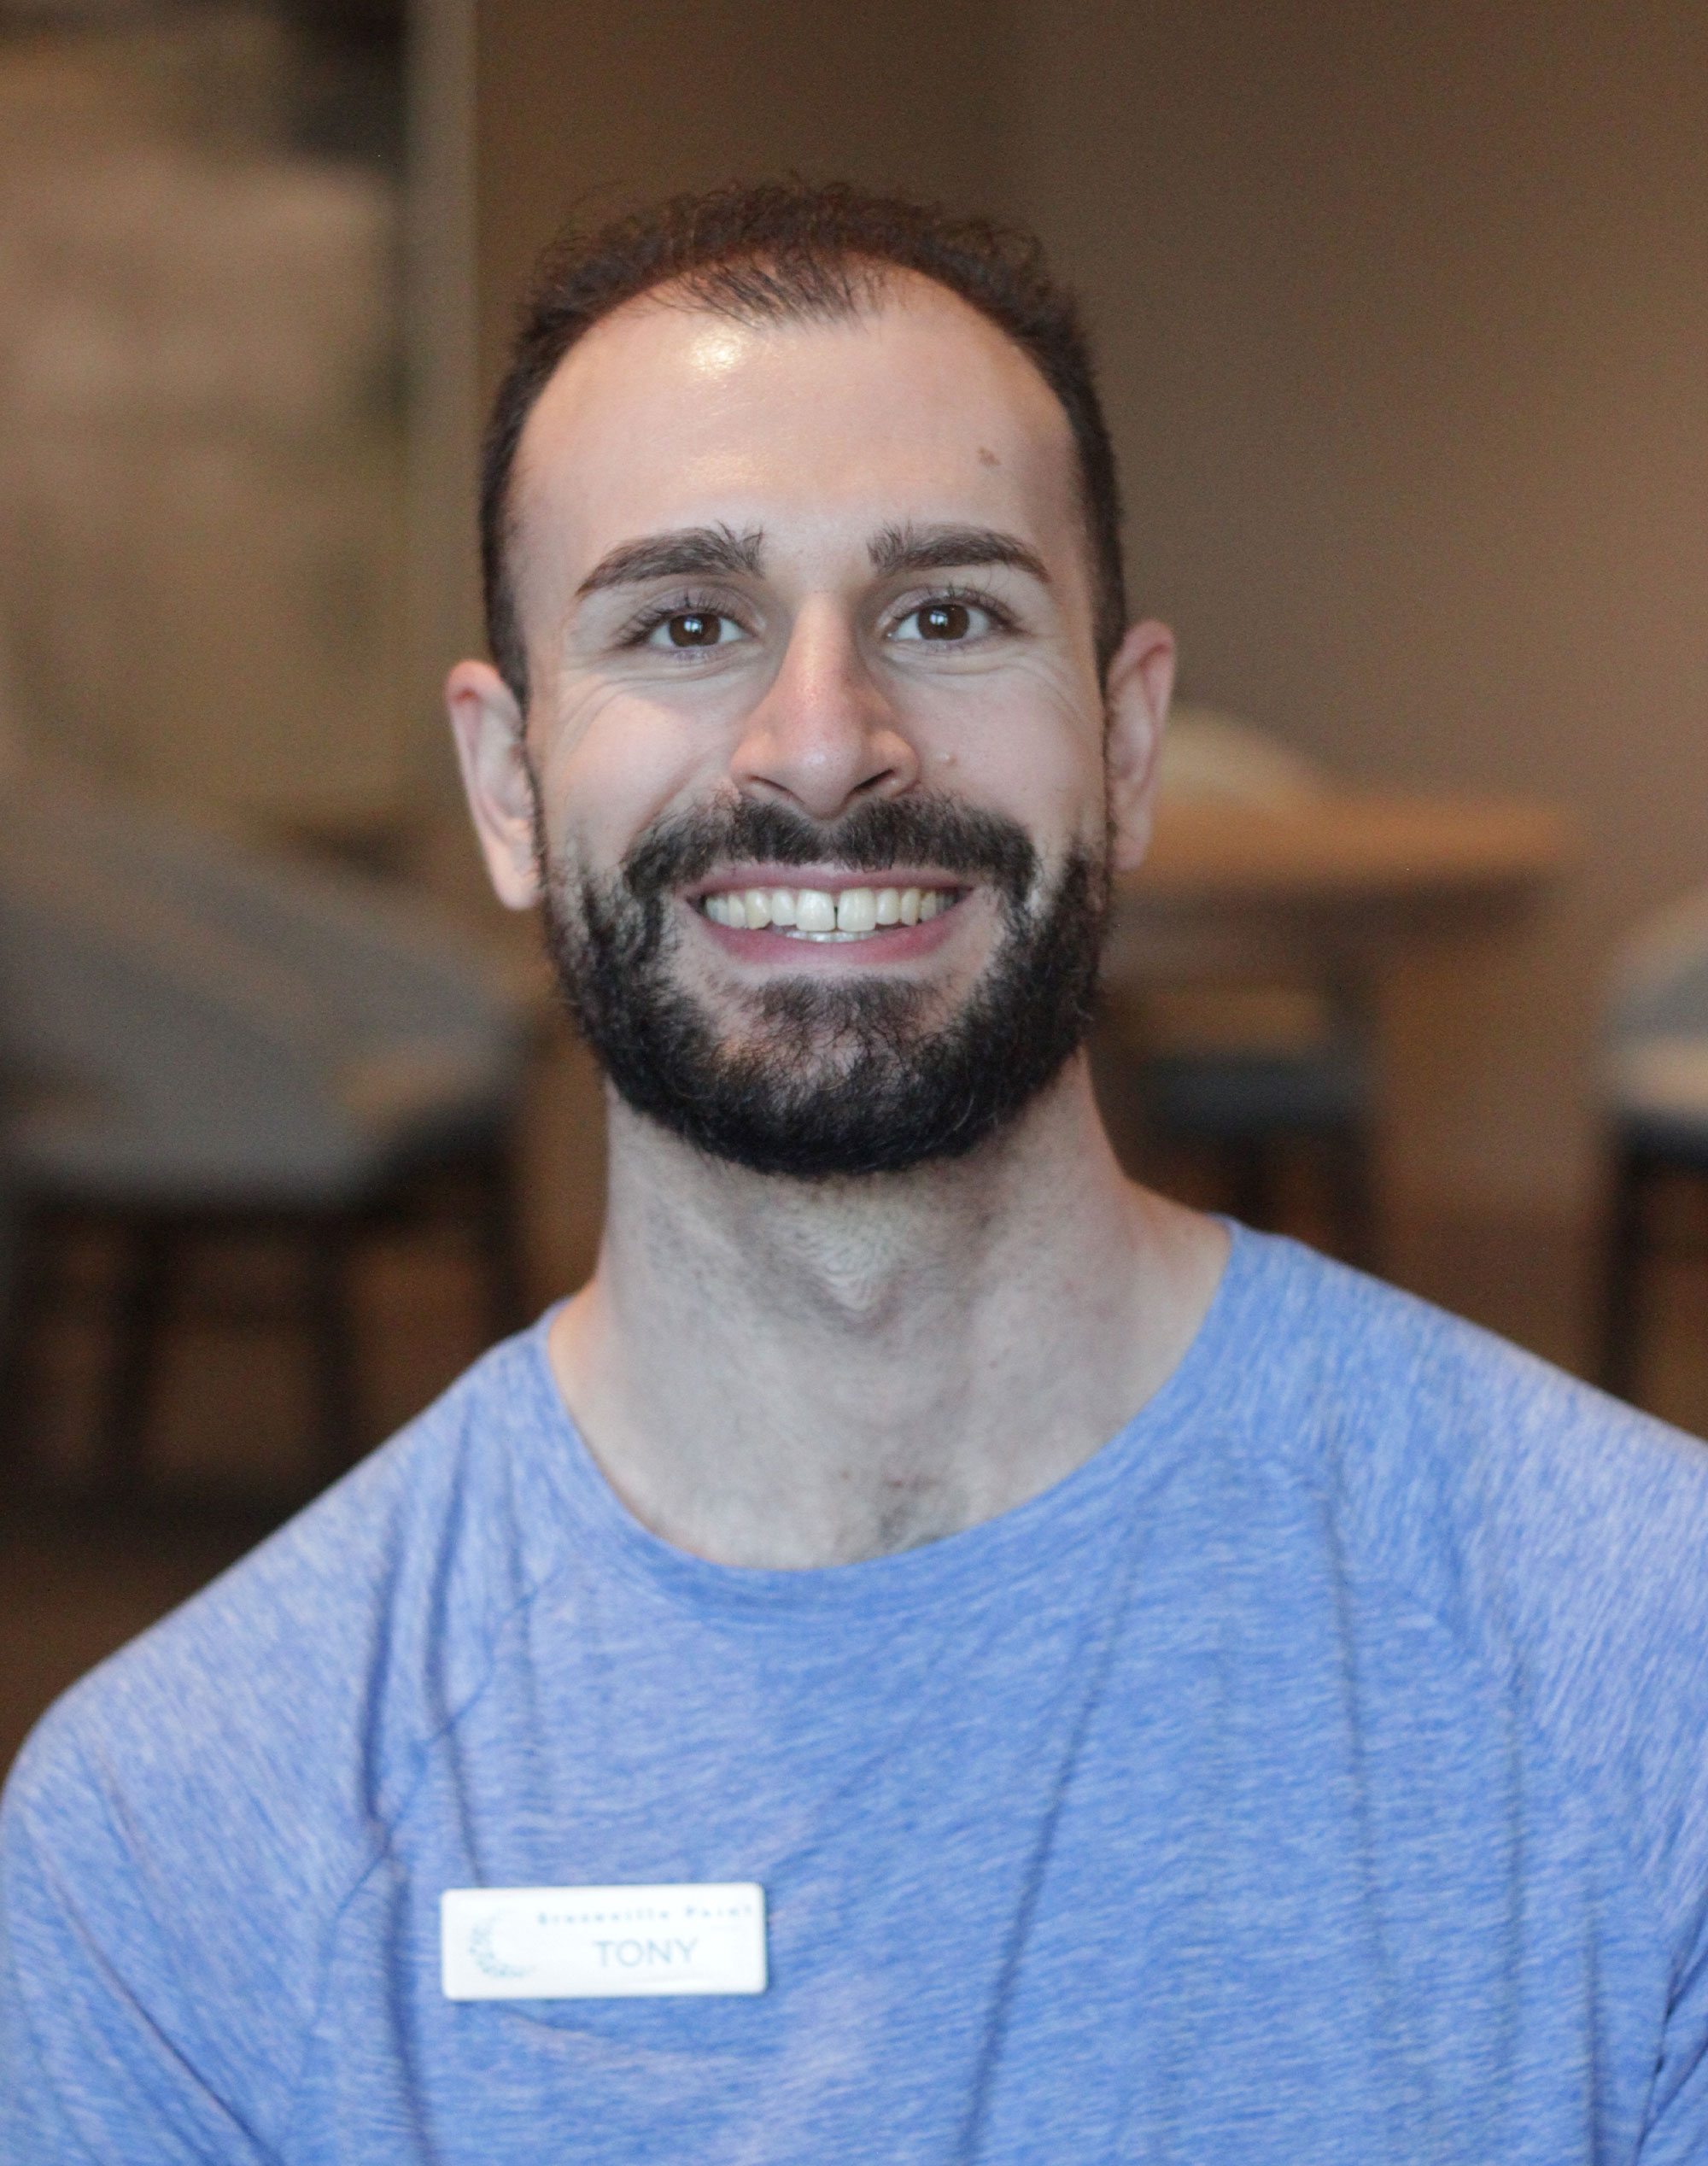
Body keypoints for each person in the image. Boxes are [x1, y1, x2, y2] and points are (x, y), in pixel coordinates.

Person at [3, 179, 1708, 2165]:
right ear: (505, 780)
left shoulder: (1650, 1658)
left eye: (947, 615)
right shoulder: (176, 1845)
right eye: (685, 624)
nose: (822, 746)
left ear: (1125, 745)